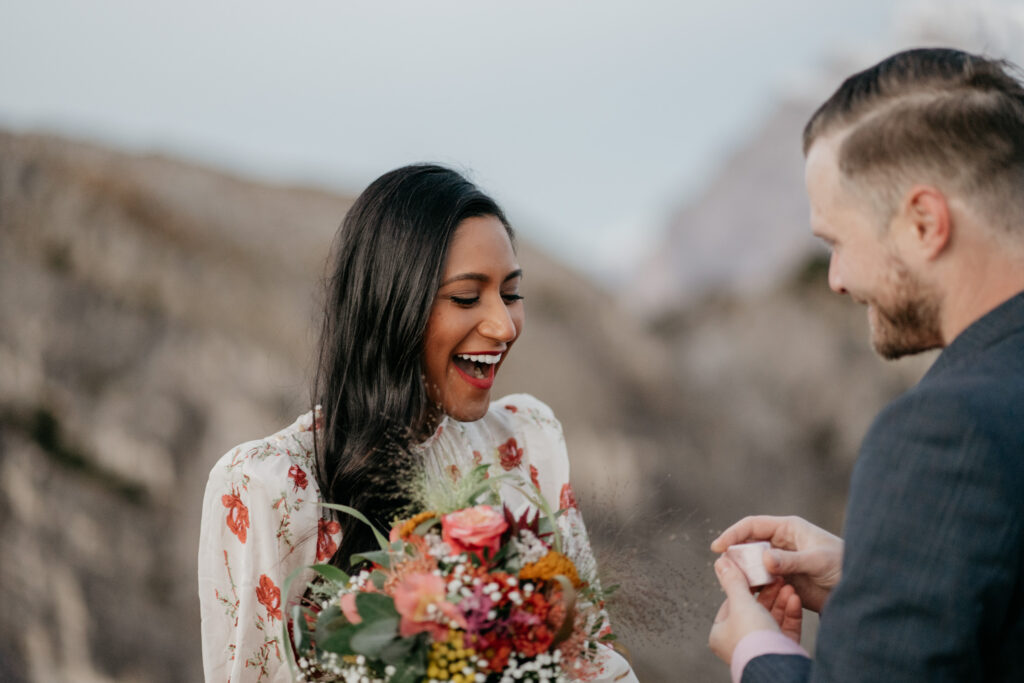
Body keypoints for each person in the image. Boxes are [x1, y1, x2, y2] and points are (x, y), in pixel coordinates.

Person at [198, 165, 637, 682]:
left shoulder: (526, 441)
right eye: (466, 297)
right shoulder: (270, 486)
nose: (502, 325)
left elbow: (591, 656)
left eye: (511, 293)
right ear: (390, 306)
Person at [707, 47, 1024, 681]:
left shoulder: (943, 431)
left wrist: (757, 654)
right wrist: (879, 578)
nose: (836, 279)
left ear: (924, 223)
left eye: (837, 242)